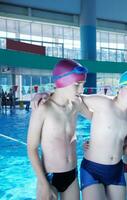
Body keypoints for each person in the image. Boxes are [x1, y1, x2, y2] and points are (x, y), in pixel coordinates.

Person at [27, 59, 91, 200]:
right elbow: (31, 148)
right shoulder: (43, 108)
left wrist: (95, 141)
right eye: (77, 85)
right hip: (49, 177)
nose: (81, 90)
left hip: (72, 175)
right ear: (63, 82)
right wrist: (43, 183)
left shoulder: (76, 103)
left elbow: (97, 119)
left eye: (83, 85)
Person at [79, 70, 127, 200]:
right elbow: (75, 98)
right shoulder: (104, 102)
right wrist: (43, 96)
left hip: (116, 170)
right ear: (119, 88)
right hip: (93, 169)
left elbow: (118, 137)